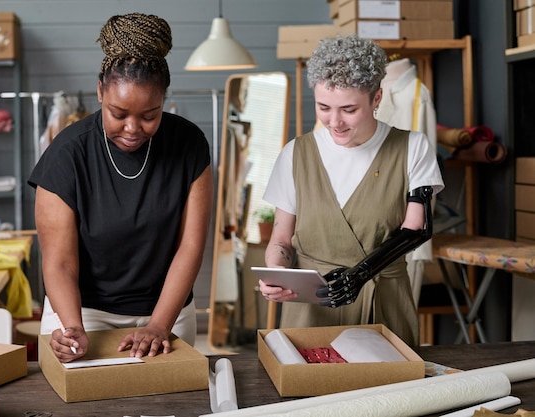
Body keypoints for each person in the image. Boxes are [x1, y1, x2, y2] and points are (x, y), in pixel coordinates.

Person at [28, 12, 213, 362]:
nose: (133, 128)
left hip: (168, 312)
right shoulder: (66, 154)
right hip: (86, 313)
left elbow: (189, 247)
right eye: (119, 113)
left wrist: (159, 324)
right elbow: (59, 263)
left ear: (163, 100)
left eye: (149, 116)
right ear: (100, 91)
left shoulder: (189, 144)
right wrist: (72, 328)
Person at [258, 34, 444, 346]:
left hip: (386, 303)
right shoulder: (296, 154)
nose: (335, 122)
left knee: (392, 390)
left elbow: (418, 229)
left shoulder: (412, 147)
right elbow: (281, 238)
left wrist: (359, 275)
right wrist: (276, 273)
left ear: (376, 98)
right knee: (309, 390)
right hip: (313, 308)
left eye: (348, 109)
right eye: (323, 107)